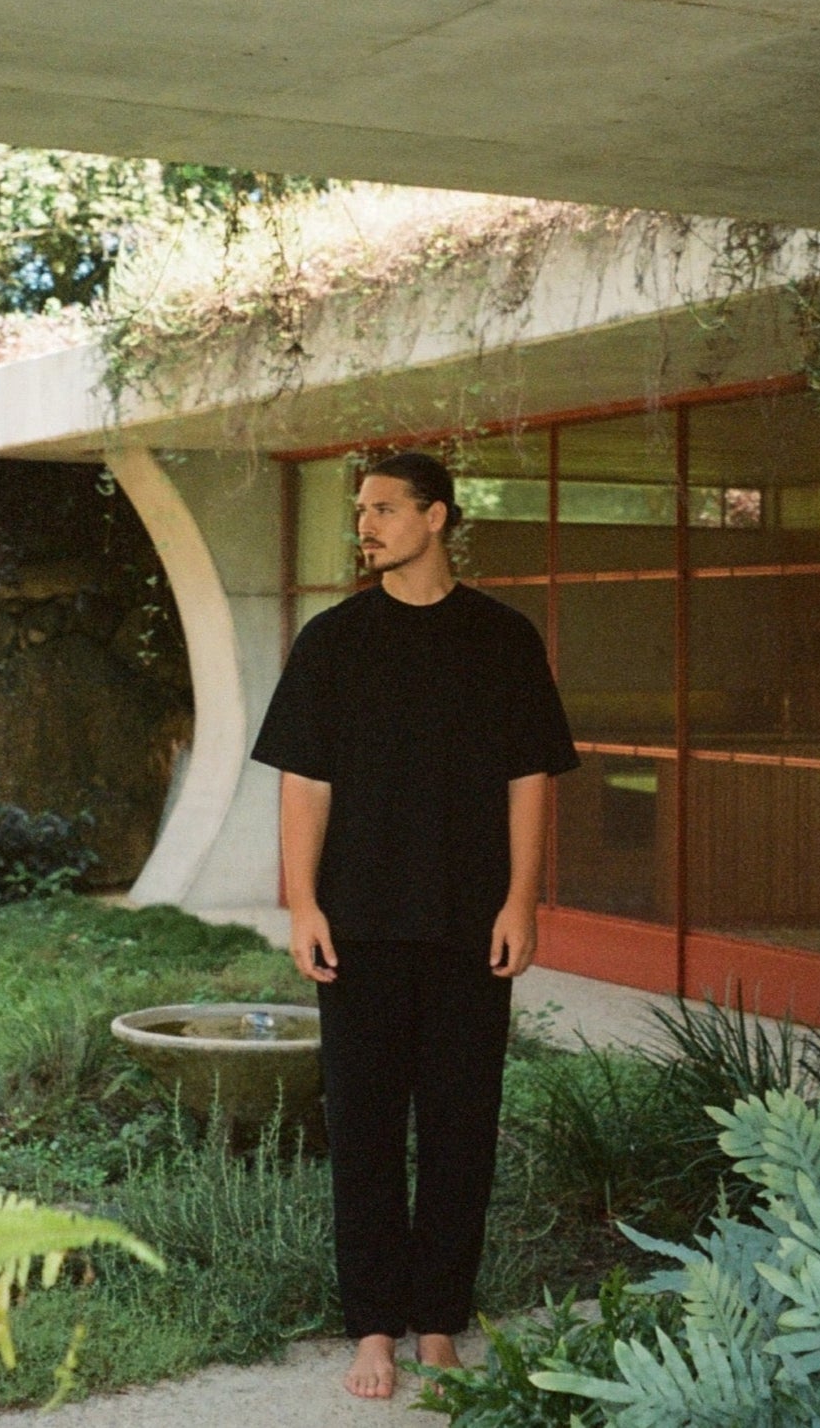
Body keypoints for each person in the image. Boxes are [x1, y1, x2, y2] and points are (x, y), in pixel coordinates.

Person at [251, 450, 578, 1400]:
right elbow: (305, 785)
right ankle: (373, 1330)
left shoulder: (503, 640)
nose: (367, 525)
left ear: (436, 517)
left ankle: (438, 1320)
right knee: (363, 1129)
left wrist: (521, 901)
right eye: (362, 510)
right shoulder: (333, 641)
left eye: (386, 509)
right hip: (358, 925)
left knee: (461, 1126)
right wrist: (304, 904)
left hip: (472, 926)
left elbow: (529, 780)